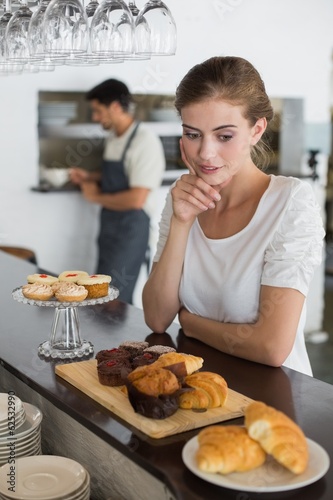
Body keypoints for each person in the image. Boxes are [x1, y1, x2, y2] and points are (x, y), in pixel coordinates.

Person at [142, 56, 325, 376]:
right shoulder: (182, 198)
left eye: (224, 136)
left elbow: (271, 347)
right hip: (199, 390)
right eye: (193, 134)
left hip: (272, 402)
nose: (205, 153)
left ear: (256, 130)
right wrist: (182, 223)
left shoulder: (290, 203)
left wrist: (191, 323)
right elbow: (157, 317)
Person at [70, 79, 166, 304]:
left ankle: (124, 342)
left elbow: (137, 198)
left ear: (114, 107)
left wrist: (94, 196)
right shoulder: (114, 137)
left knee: (116, 302)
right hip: (109, 229)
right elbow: (119, 175)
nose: (95, 117)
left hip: (130, 234)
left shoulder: (145, 141)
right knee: (99, 294)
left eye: (97, 111)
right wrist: (90, 176)